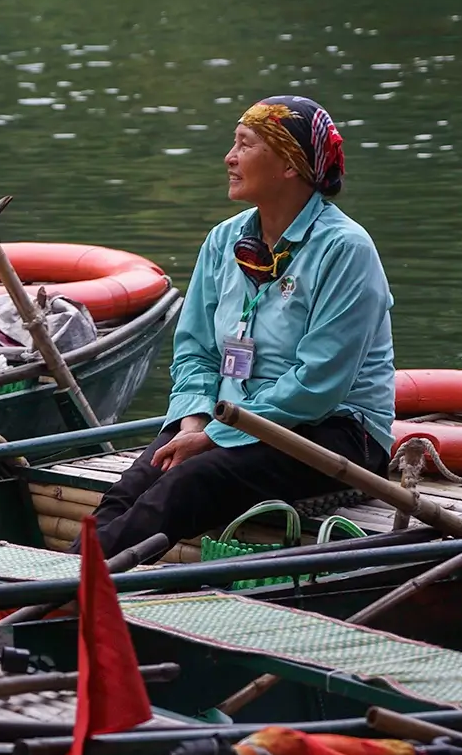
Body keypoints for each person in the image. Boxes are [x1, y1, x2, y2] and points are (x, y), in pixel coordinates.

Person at [79, 95, 395, 558]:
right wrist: (193, 421)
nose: (229, 157)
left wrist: (212, 439)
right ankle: (48, 581)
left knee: (188, 482)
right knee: (135, 484)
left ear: (290, 164)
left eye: (245, 145)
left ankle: (56, 591)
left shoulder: (346, 250)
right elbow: (195, 350)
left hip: (335, 430)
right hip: (227, 416)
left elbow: (318, 383)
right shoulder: (225, 240)